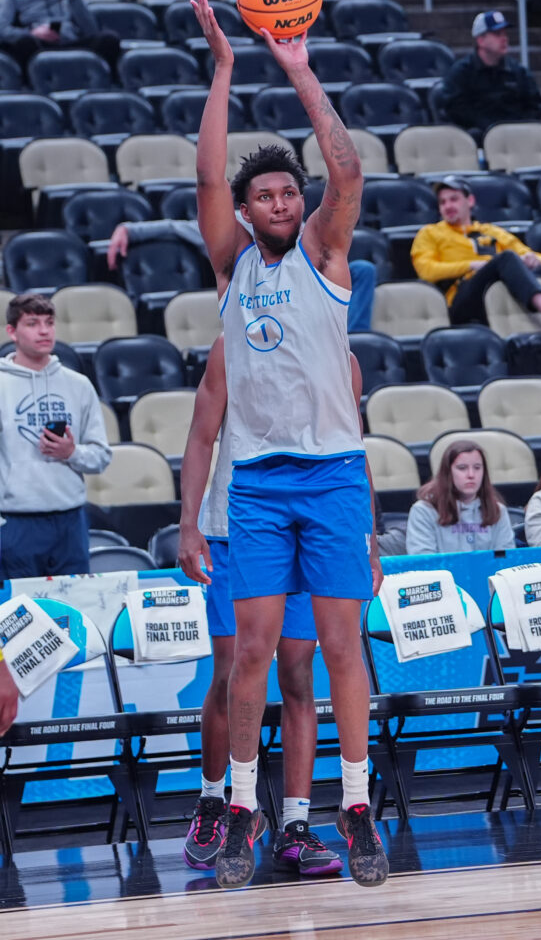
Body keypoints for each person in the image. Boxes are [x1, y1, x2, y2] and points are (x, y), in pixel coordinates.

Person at [190, 0, 389, 890]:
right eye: (261, 193)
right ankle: (239, 805)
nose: (277, 199)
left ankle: (353, 803)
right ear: (242, 212)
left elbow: (346, 176)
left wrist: (301, 71)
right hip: (261, 486)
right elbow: (204, 183)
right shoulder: (232, 267)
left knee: (343, 651)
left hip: (335, 476)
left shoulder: (324, 253)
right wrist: (229, 69)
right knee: (251, 651)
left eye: (285, 190)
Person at [179, 337, 380, 876]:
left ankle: (295, 823)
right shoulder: (231, 347)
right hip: (236, 528)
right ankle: (216, 800)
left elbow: (354, 451)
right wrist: (189, 523)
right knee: (233, 669)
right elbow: (201, 438)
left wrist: (370, 540)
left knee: (298, 674)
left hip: (311, 525)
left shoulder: (342, 359)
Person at [0, 294, 112, 581]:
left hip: (70, 521)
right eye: (33, 323)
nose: (44, 330)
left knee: (73, 613)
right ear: (11, 331)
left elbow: (101, 456)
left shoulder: (78, 385)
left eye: (49, 323)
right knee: (18, 618)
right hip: (14, 522)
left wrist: (71, 452)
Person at [107, 217, 377, 333]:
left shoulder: (301, 225)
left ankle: (355, 339)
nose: (278, 204)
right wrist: (129, 230)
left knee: (363, 270)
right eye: (266, 196)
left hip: (304, 285)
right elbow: (176, 228)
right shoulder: (234, 225)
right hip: (263, 292)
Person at [411, 176, 541, 326]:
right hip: (462, 296)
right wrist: (471, 265)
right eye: (442, 202)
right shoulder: (430, 233)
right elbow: (426, 270)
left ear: (470, 201)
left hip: (497, 280)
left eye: (454, 199)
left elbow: (529, 254)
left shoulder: (491, 231)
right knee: (505, 258)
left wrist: (532, 258)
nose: (448, 206)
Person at [440, 10, 541, 143]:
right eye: (497, 34)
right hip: (478, 137)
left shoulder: (518, 71)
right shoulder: (461, 73)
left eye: (505, 33)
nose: (504, 38)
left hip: (516, 137)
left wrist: (518, 127)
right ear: (481, 40)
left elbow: (535, 104)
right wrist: (489, 128)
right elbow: (456, 108)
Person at [406, 440, 515, 554]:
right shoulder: (424, 511)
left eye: (477, 467)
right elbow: (424, 562)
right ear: (448, 472)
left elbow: (506, 559)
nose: (471, 475)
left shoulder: (498, 510)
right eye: (462, 468)